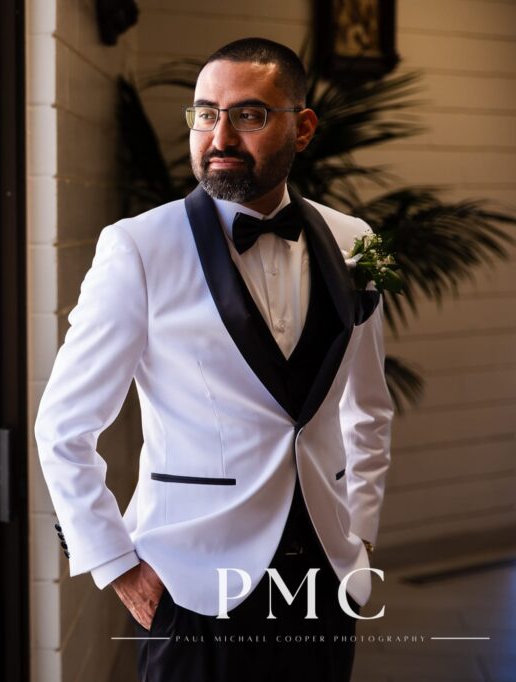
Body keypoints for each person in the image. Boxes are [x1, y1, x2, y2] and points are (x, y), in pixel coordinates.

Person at [34, 37, 393, 681]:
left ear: (302, 127)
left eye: (249, 115)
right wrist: (117, 566)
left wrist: (360, 532)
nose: (219, 134)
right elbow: (63, 428)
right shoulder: (138, 249)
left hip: (325, 577)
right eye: (205, 113)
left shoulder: (354, 242)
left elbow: (368, 407)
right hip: (194, 586)